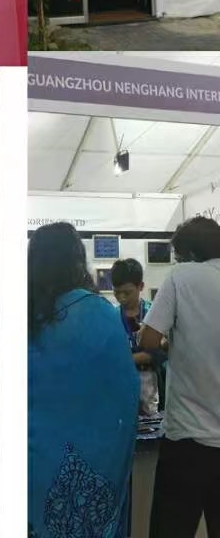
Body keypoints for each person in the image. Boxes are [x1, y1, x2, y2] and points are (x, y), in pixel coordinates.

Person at [28, 222, 138, 538]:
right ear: (78, 260)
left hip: (33, 467)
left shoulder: (25, 314)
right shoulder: (101, 315)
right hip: (94, 467)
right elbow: (127, 395)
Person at [141, 216, 220, 536]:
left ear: (189, 253)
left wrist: (171, 343)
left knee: (171, 529)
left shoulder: (181, 276)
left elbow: (148, 338)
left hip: (188, 439)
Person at [110, 258, 163, 417]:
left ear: (141, 286)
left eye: (127, 292)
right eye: (117, 292)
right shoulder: (111, 316)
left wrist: (131, 358)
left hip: (150, 382)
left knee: (150, 423)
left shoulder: (153, 313)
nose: (122, 298)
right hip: (120, 382)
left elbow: (164, 351)